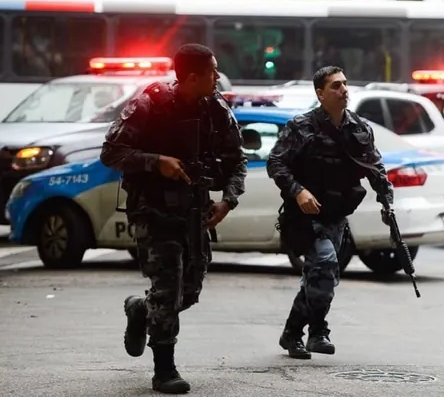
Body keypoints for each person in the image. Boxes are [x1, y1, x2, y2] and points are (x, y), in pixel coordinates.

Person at [100, 44, 247, 394]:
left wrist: (228, 201)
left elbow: (236, 161)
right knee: (167, 290)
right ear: (192, 76)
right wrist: (156, 161)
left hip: (194, 211)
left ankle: (140, 309)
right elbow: (111, 152)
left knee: (189, 292)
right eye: (212, 71)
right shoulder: (149, 105)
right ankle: (164, 370)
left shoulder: (216, 109)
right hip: (153, 211)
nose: (217, 75)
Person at [267, 65, 394, 360]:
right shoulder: (302, 126)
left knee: (319, 275)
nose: (344, 90)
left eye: (345, 84)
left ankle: (294, 333)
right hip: (305, 216)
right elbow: (276, 163)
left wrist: (387, 202)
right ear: (320, 94)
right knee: (324, 265)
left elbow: (376, 168)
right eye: (336, 86)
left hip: (336, 215)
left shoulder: (359, 129)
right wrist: (298, 191)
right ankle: (318, 329)